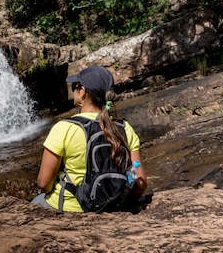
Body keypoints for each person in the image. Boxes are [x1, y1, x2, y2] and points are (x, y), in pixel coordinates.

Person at [32, 65, 148, 212]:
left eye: (75, 86)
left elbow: (43, 183)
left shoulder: (64, 128)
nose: (73, 90)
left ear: (83, 91)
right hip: (111, 205)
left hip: (68, 208)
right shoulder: (124, 128)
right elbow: (139, 184)